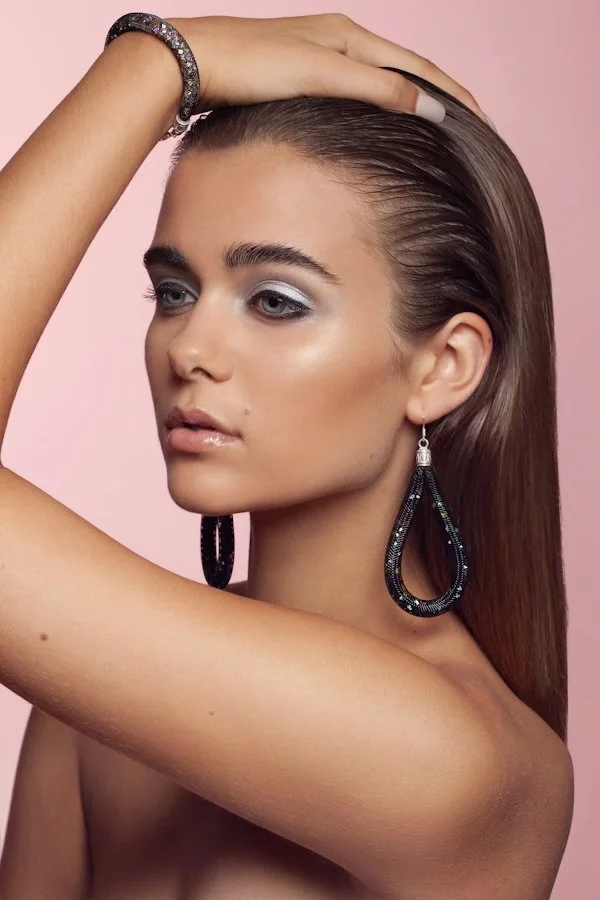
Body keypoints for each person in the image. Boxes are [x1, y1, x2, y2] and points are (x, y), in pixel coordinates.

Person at [0, 12, 573, 900]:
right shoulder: (89, 711)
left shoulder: (451, 758)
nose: (191, 347)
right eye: (174, 291)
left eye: (274, 301)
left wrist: (154, 66)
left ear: (443, 366)